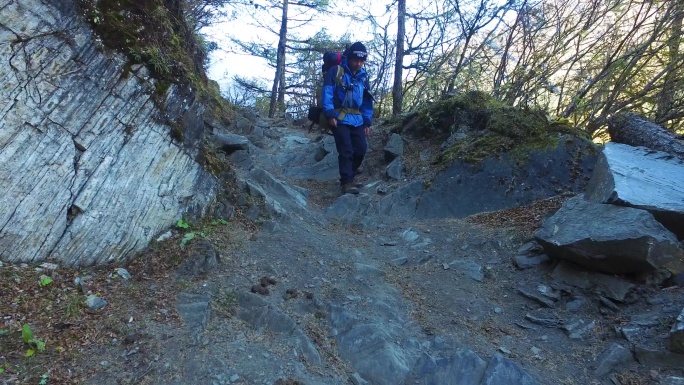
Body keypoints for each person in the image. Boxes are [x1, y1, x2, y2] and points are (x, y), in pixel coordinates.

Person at [321, 42, 374, 195]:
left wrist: (367, 120)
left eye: (361, 61)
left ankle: (349, 176)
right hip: (338, 116)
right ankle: (346, 182)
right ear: (349, 58)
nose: (358, 64)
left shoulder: (363, 77)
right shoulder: (336, 71)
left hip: (357, 119)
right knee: (346, 150)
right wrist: (330, 113)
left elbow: (366, 101)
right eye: (355, 60)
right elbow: (327, 93)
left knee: (361, 149)